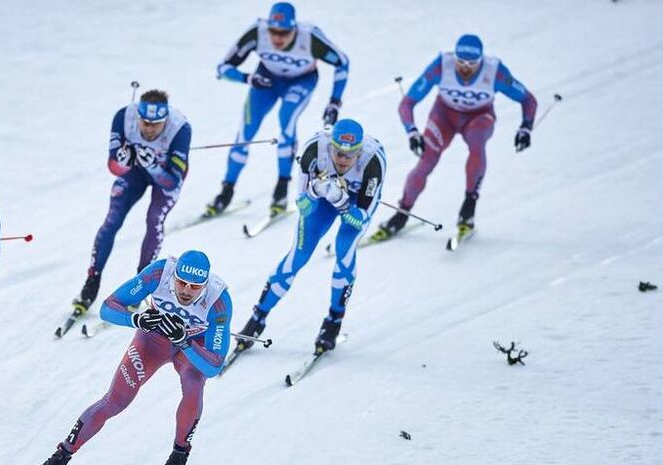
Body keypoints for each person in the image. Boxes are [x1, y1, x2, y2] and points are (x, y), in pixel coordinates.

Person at [31, 250, 232, 465]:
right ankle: (60, 457)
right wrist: (137, 319)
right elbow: (108, 307)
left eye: (194, 286)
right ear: (174, 276)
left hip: (188, 349)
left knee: (194, 384)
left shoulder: (219, 300)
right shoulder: (160, 272)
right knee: (115, 401)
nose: (186, 291)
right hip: (153, 341)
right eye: (181, 283)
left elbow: (214, 366)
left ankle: (177, 458)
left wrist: (186, 342)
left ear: (205, 284)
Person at [235, 119, 385, 356]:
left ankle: (334, 321)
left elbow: (360, 220)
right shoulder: (314, 150)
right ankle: (258, 317)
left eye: (350, 155)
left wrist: (343, 201)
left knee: (344, 251)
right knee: (298, 256)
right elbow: (303, 206)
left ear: (359, 151)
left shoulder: (373, 163)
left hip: (354, 204)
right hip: (322, 200)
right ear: (331, 146)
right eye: (338, 152)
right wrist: (316, 189)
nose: (343, 160)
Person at [369, 33, 537, 243]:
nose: (465, 68)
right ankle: (401, 214)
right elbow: (407, 103)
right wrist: (412, 132)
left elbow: (528, 100)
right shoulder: (442, 65)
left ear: (481, 61)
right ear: (454, 58)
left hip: (479, 117)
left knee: (477, 145)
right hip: (445, 116)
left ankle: (468, 208)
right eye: (461, 62)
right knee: (426, 161)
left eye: (472, 64)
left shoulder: (495, 72)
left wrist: (526, 128)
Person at [205, 1, 349, 219]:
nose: (278, 38)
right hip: (267, 80)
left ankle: (281, 188)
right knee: (246, 132)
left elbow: (342, 62)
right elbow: (222, 68)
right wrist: (248, 78)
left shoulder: (309, 37)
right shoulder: (257, 32)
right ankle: (226, 190)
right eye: (273, 31)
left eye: (284, 32)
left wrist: (334, 102)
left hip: (301, 82)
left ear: (295, 28)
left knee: (286, 121)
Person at [71, 89, 192, 313]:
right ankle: (92, 281)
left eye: (156, 124)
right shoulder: (123, 117)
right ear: (138, 116)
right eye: (145, 122)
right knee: (112, 221)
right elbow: (113, 167)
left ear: (166, 120)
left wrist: (154, 168)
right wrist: (124, 163)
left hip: (164, 177)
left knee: (154, 219)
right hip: (134, 173)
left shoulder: (180, 129)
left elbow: (173, 183)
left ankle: (141, 284)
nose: (149, 129)